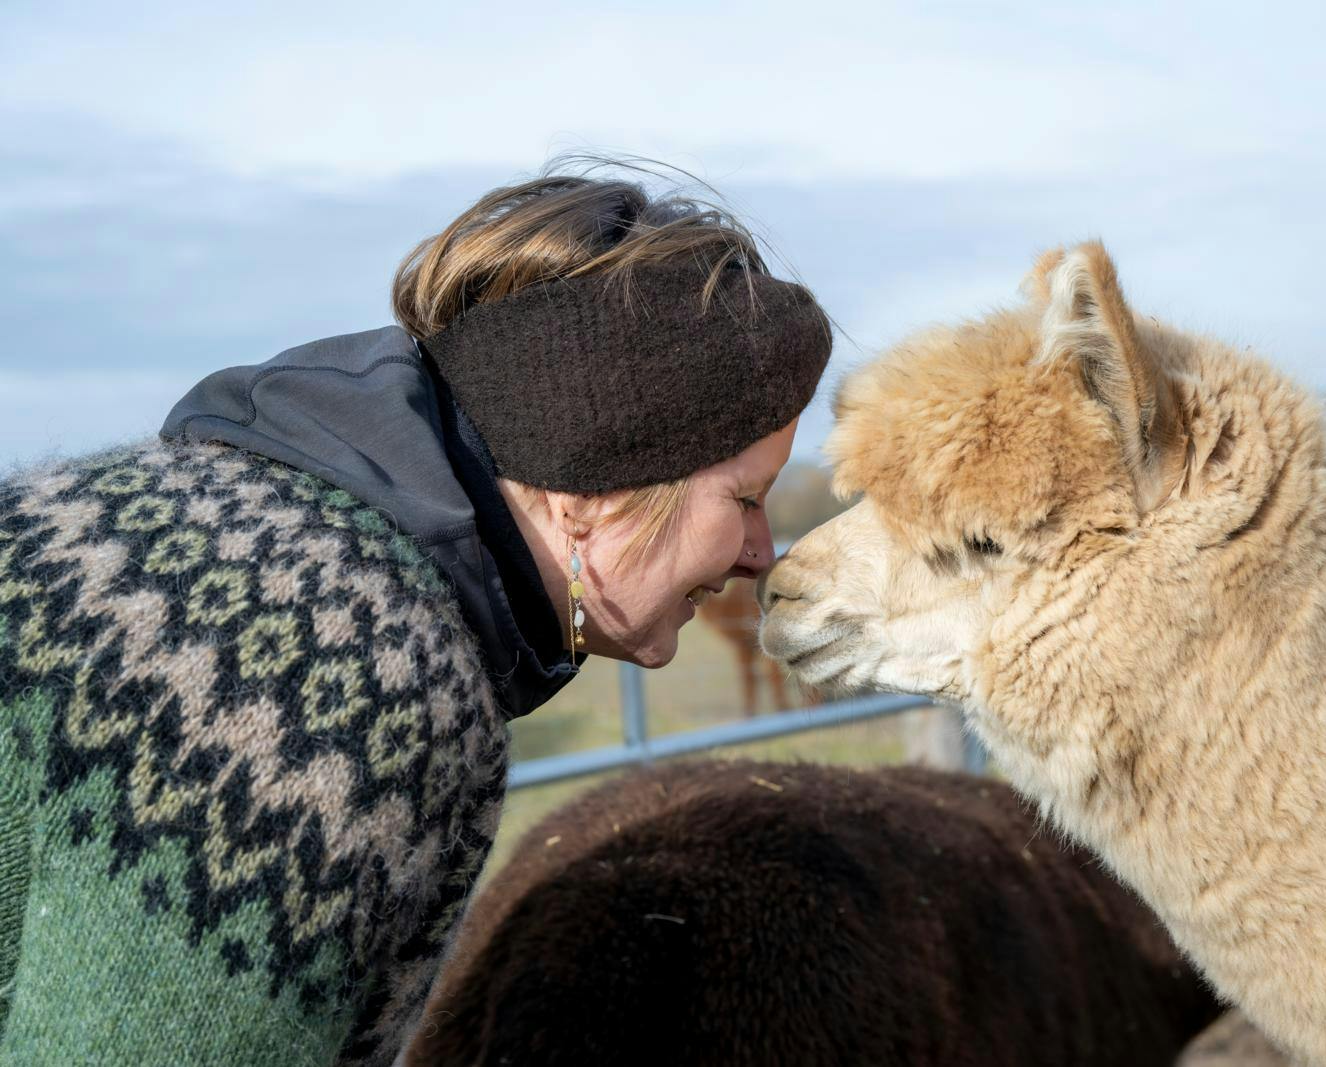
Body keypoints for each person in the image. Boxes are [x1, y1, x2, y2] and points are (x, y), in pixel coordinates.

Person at [0, 165, 831, 1065]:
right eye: (744, 497)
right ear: (595, 490)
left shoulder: (231, 527)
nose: (760, 552)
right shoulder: (339, 680)